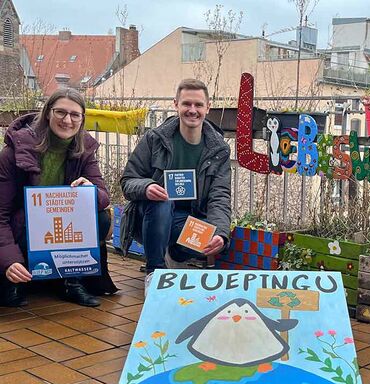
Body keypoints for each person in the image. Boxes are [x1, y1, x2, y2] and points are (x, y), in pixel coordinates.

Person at [0, 87, 118, 308]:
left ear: (82, 119)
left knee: (101, 218)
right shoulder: (13, 153)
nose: (67, 120)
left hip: (61, 229)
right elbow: (0, 214)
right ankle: (15, 277)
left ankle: (69, 279)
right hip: (22, 229)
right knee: (26, 221)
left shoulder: (85, 150)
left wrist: (91, 190)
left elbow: (103, 198)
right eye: (60, 112)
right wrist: (9, 260)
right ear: (47, 113)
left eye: (75, 115)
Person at [120, 79, 231, 290]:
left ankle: (177, 251)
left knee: (215, 243)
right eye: (186, 104)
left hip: (190, 220)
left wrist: (221, 234)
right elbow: (127, 181)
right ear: (175, 105)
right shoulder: (155, 139)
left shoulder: (219, 150)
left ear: (208, 107)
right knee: (162, 203)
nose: (192, 110)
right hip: (151, 218)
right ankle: (156, 272)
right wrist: (146, 187)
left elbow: (220, 196)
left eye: (198, 105)